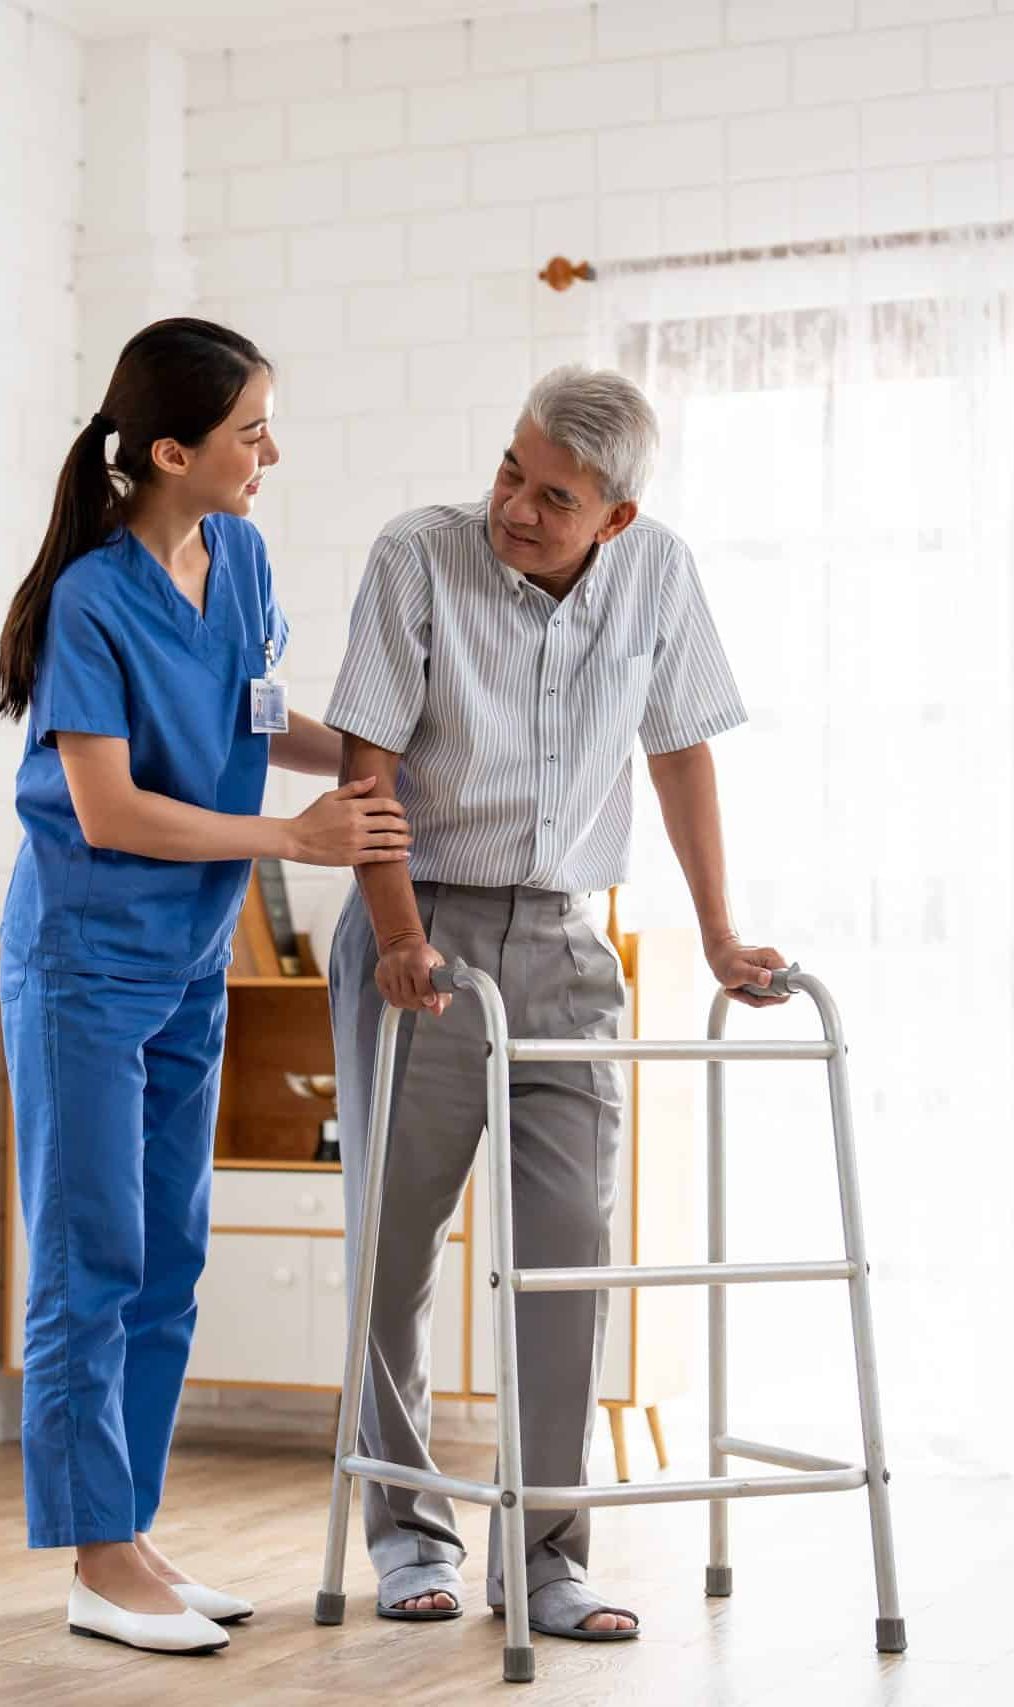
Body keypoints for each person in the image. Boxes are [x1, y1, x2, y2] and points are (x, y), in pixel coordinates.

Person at [324, 365, 787, 1642]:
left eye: (555, 497)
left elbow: (679, 746)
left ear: (615, 518)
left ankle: (544, 1558)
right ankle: (409, 1533)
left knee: (567, 1262)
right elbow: (367, 760)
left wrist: (717, 935)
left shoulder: (659, 573)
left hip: (569, 948)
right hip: (418, 927)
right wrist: (400, 936)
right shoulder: (418, 557)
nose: (516, 508)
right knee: (396, 1252)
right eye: (510, 472)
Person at [0, 318, 410, 1658]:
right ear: (171, 449)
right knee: (89, 1257)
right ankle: (93, 1554)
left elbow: (247, 715)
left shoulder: (238, 554)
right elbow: (106, 809)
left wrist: (379, 756)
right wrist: (293, 838)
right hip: (84, 958)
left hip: (183, 963)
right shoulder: (91, 599)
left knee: (169, 1259)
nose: (268, 451)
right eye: (248, 432)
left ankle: (133, 1535)